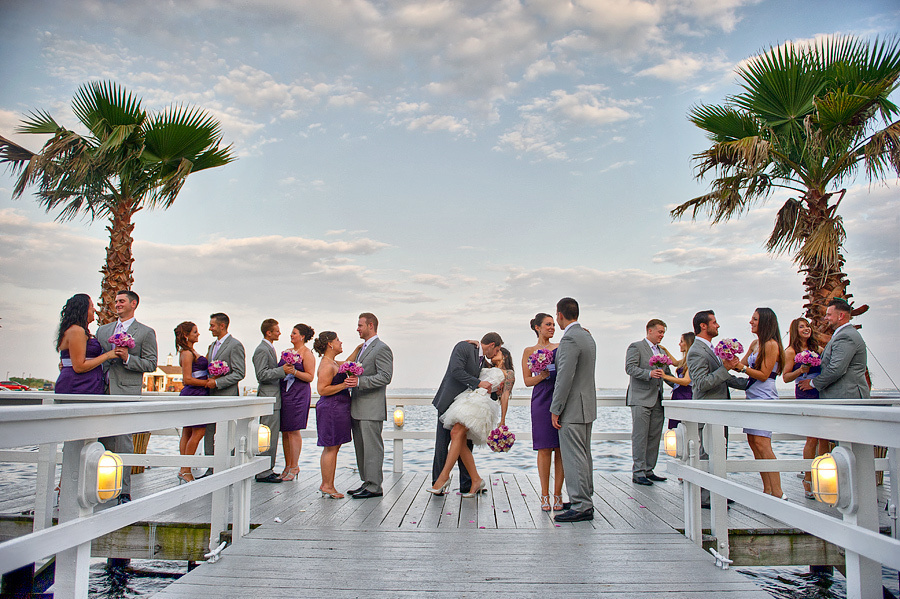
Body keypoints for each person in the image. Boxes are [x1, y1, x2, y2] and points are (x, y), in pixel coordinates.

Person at [97, 290, 158, 502]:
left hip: (126, 390)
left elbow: (151, 364)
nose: (117, 304)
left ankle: (124, 491)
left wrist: (128, 358)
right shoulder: (102, 331)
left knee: (124, 442)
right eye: (116, 302)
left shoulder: (145, 332)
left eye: (122, 301)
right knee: (101, 440)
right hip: (102, 390)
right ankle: (101, 489)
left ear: (134, 304)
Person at [685, 310, 748, 507]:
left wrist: (751, 382)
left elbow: (724, 378)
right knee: (707, 453)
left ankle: (717, 492)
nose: (718, 326)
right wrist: (726, 368)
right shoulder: (696, 351)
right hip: (707, 409)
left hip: (719, 410)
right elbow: (702, 383)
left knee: (720, 452)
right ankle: (706, 498)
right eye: (714, 322)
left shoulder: (711, 349)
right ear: (703, 326)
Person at [429, 339, 506, 498]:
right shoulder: (464, 347)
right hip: (448, 401)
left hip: (467, 407)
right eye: (497, 349)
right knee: (442, 445)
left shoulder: (483, 362)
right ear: (492, 345)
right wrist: (478, 383)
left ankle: (468, 483)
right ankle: (438, 482)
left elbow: (488, 385)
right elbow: (456, 370)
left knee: (465, 444)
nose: (496, 354)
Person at [550, 297, 597, 523]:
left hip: (572, 408)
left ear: (560, 314)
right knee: (584, 454)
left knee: (574, 456)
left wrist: (556, 408)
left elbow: (564, 377)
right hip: (587, 404)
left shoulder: (569, 340)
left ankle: (581, 505)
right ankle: (584, 498)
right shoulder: (587, 336)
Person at [735, 308, 785, 498]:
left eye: (754, 319)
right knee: (753, 442)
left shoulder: (772, 345)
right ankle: (767, 489)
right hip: (752, 393)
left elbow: (764, 374)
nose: (751, 322)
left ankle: (778, 492)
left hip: (764, 394)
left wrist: (742, 368)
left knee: (763, 443)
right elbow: (742, 364)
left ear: (764, 322)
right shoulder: (755, 343)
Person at [346, 313, 394, 499]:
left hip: (371, 408)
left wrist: (359, 382)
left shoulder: (382, 348)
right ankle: (366, 482)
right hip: (357, 406)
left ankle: (375, 486)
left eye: (360, 325)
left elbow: (385, 377)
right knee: (361, 447)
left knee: (372, 448)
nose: (357, 329)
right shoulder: (362, 349)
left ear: (371, 325)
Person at [522, 313, 565, 512]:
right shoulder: (529, 351)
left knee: (560, 449)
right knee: (544, 448)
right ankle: (544, 494)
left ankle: (558, 494)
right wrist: (542, 375)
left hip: (559, 397)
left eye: (554, 324)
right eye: (548, 324)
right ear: (537, 327)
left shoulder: (560, 348)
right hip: (540, 399)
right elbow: (527, 381)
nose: (552, 328)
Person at [625, 318, 671, 486]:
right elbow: (630, 368)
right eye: (660, 332)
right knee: (640, 436)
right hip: (640, 399)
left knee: (654, 436)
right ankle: (638, 472)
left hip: (658, 399)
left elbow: (668, 375)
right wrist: (649, 374)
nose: (662, 335)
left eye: (663, 333)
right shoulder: (636, 347)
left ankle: (649, 470)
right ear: (649, 330)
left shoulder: (662, 352)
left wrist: (685, 383)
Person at [783, 317, 825, 499]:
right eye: (802, 327)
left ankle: (822, 479)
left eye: (808, 325)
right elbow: (785, 377)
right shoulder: (791, 351)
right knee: (812, 438)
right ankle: (807, 479)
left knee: (824, 438)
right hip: (804, 393)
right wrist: (801, 370)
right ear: (795, 330)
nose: (806, 328)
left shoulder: (818, 349)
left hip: (819, 392)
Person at [314, 331, 358, 499]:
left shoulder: (332, 362)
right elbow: (322, 390)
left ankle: (328, 484)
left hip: (337, 407)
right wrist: (344, 385)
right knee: (331, 447)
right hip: (331, 408)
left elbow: (347, 363)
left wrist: (357, 349)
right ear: (330, 344)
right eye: (338, 340)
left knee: (334, 447)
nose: (341, 342)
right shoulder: (326, 364)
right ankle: (327, 485)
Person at [201, 313, 246, 476]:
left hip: (226, 395)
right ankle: (210, 467)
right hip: (211, 395)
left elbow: (240, 373)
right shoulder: (212, 346)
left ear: (222, 325)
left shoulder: (235, 345)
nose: (209, 328)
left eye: (212, 325)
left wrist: (218, 382)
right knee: (209, 431)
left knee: (226, 433)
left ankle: (226, 467)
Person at [799, 298, 870, 399]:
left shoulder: (846, 336)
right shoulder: (844, 334)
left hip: (846, 397)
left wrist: (812, 383)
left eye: (829, 314)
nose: (825, 318)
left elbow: (836, 369)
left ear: (841, 316)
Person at [55, 294, 117, 395]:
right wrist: (108, 355)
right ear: (83, 310)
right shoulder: (76, 330)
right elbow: (79, 367)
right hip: (78, 384)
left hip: (89, 382)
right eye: (91, 306)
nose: (94, 310)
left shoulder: (78, 330)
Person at [252, 319, 289, 483]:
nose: (279, 333)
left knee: (272, 435)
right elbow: (261, 375)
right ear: (269, 332)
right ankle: (262, 471)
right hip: (267, 396)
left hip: (273, 397)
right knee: (266, 435)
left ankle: (268, 468)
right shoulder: (262, 350)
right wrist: (283, 370)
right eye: (277, 330)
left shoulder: (270, 348)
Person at [278, 323, 315, 481]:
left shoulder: (307, 353)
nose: (291, 335)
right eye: (291, 333)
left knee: (294, 430)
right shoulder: (288, 352)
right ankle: (287, 465)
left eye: (294, 333)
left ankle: (295, 465)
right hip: (285, 392)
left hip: (299, 394)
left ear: (302, 336)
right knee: (285, 431)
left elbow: (310, 376)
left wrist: (294, 371)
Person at [174, 321, 210, 484]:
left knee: (188, 431)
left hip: (198, 393)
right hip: (194, 393)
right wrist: (206, 383)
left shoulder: (191, 351)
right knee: (198, 432)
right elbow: (187, 379)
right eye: (195, 332)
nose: (198, 334)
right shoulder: (187, 353)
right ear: (186, 335)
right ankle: (185, 469)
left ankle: (184, 469)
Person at [661, 332, 695, 429]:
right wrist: (665, 351)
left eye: (681, 341)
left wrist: (665, 376)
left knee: (683, 426)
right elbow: (675, 363)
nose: (679, 344)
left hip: (685, 395)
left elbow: (686, 381)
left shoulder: (691, 360)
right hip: (678, 394)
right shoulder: (685, 359)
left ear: (688, 343)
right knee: (675, 427)